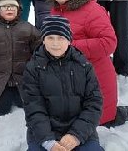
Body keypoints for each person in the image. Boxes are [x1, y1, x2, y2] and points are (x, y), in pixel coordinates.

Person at [47, 0, 126, 127]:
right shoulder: (56, 10)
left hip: (94, 81)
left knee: (86, 124)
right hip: (71, 79)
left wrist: (69, 47)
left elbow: (109, 42)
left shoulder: (92, 10)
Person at [22, 15, 105, 151]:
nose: (55, 43)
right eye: (50, 38)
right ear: (43, 40)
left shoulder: (84, 66)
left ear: (69, 40)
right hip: (44, 133)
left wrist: (76, 136)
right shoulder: (33, 68)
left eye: (61, 38)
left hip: (80, 130)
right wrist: (49, 142)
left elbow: (94, 104)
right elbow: (34, 108)